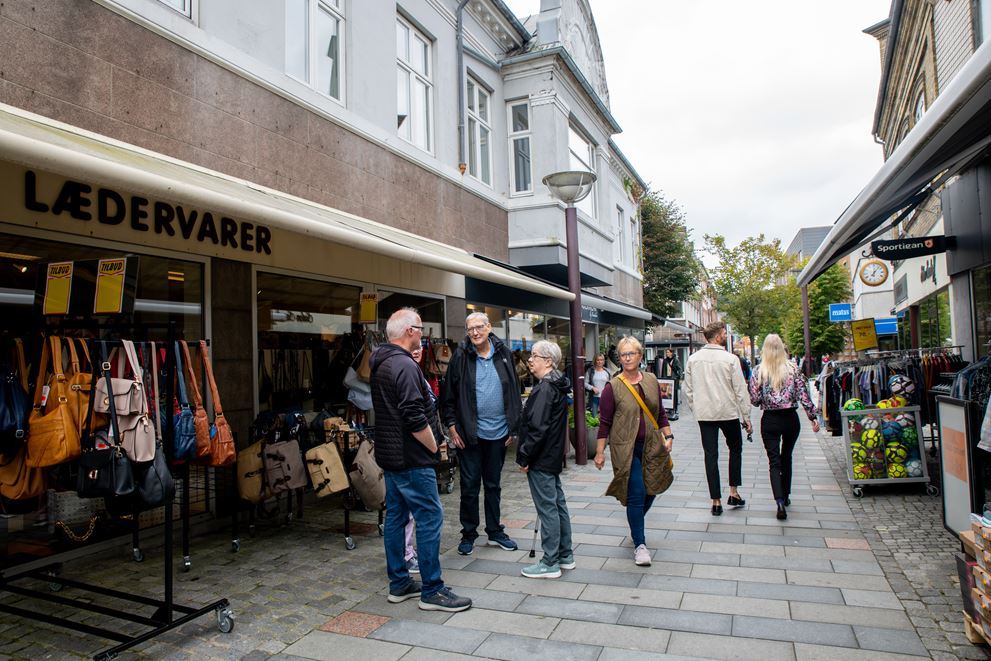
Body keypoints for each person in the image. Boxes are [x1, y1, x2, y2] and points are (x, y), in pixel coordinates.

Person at [370, 308, 471, 612]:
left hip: (392, 457)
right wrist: (433, 445)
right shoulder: (403, 365)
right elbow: (413, 415)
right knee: (429, 518)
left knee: (396, 520)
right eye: (419, 329)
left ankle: (399, 583)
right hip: (412, 459)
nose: (422, 335)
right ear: (409, 331)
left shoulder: (382, 362)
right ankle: (432, 589)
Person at [441, 312, 521, 556]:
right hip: (469, 434)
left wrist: (513, 426)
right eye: (470, 329)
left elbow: (514, 392)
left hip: (498, 433)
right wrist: (452, 427)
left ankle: (495, 531)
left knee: (494, 485)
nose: (474, 332)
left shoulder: (504, 353)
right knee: (469, 486)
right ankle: (468, 534)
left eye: (479, 327)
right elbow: (448, 396)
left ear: (488, 328)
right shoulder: (461, 356)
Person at [594, 336, 674, 566]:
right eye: (623, 354)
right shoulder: (613, 387)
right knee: (637, 492)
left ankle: (635, 522)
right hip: (625, 449)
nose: (627, 358)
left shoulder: (650, 380)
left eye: (631, 353)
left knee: (651, 490)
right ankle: (640, 544)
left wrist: (669, 435)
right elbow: (605, 423)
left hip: (652, 446)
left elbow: (660, 414)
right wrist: (600, 453)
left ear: (640, 356)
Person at [516, 340, 574, 579]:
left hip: (541, 457)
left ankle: (550, 561)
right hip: (551, 455)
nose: (530, 359)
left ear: (548, 361)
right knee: (557, 504)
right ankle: (564, 555)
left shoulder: (545, 389)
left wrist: (524, 456)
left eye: (535, 355)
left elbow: (537, 428)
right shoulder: (556, 385)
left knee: (548, 507)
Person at [683, 320, 752, 516]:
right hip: (728, 412)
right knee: (735, 448)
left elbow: (688, 389)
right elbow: (740, 390)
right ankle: (734, 491)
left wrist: (696, 408)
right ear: (717, 336)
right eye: (724, 333)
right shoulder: (730, 359)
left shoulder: (693, 359)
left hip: (705, 414)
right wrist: (746, 416)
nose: (725, 336)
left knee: (710, 456)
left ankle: (716, 501)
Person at [749, 334, 820, 520]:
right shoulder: (793, 369)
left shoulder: (758, 371)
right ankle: (786, 495)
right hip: (790, 419)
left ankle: (779, 501)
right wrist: (812, 417)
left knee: (774, 461)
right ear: (782, 348)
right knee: (786, 456)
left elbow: (754, 400)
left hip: (770, 420)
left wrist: (765, 398)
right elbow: (804, 395)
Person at [658, 348, 683, 419]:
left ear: (672, 353)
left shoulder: (675, 360)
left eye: (668, 352)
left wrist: (680, 378)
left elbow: (680, 369)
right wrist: (663, 378)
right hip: (667, 379)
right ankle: (668, 408)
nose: (667, 353)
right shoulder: (665, 360)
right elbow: (663, 370)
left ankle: (675, 408)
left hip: (674, 379)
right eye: (666, 352)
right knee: (668, 393)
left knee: (674, 394)